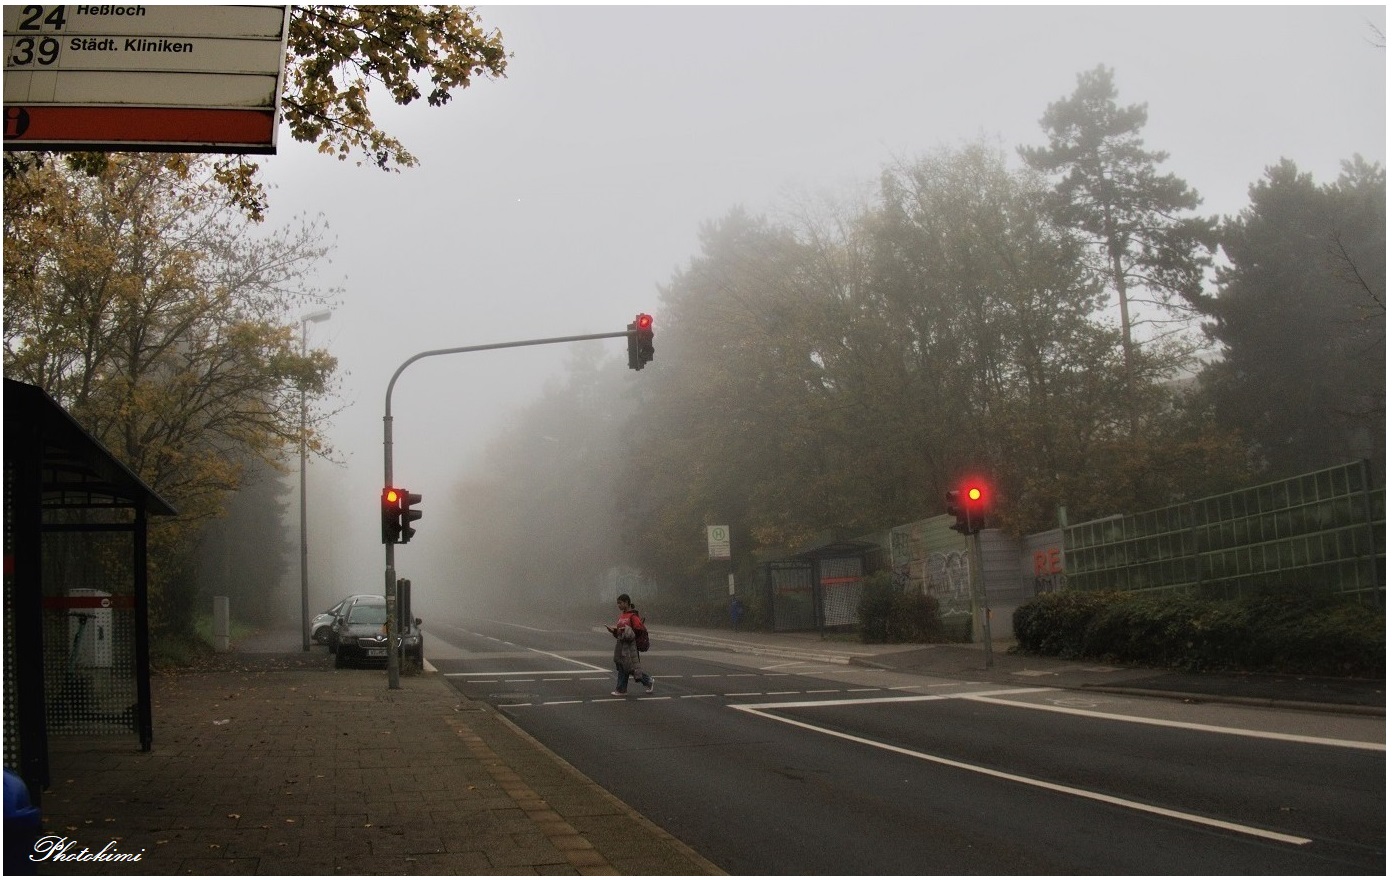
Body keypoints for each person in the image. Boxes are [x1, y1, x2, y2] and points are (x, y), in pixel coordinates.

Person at [606, 593, 653, 696]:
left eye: (620, 603)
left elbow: (638, 629)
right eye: (618, 603)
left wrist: (626, 631)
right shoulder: (622, 616)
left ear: (626, 602)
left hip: (631, 646)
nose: (619, 605)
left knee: (628, 668)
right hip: (622, 645)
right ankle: (647, 681)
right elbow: (620, 633)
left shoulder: (633, 616)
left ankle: (621, 689)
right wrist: (614, 631)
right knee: (626, 667)